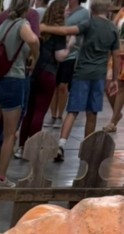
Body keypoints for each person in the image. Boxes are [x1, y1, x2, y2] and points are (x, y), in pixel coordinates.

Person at [43, 0, 120, 160]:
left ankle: (61, 145)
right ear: (107, 9)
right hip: (98, 75)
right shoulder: (112, 28)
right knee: (92, 113)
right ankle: (87, 148)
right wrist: (114, 79)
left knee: (72, 111)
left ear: (91, 8)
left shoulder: (88, 24)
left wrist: (44, 28)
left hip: (82, 73)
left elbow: (66, 30)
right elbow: (116, 56)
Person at [0, 0, 37, 185]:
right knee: (9, 134)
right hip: (13, 80)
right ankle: (1, 177)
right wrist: (34, 56)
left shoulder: (1, 25)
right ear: (27, 7)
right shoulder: (22, 24)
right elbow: (33, 40)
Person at [18, 0, 71, 154]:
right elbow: (59, 56)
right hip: (48, 74)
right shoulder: (59, 35)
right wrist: (70, 46)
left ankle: (21, 147)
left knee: (29, 112)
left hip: (34, 72)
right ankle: (33, 148)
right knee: (40, 112)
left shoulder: (39, 29)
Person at [49, 0, 88, 126]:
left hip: (71, 53)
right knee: (53, 85)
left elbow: (81, 31)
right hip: (55, 51)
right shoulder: (60, 7)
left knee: (63, 85)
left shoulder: (84, 13)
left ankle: (60, 115)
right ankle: (52, 115)